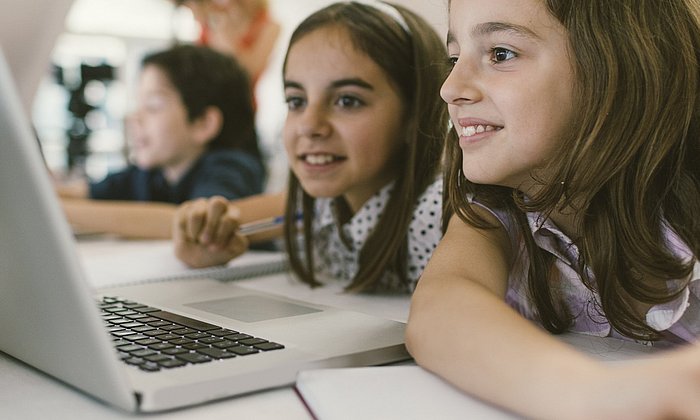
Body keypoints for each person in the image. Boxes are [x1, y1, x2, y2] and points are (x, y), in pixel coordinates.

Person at [405, 0, 700, 418]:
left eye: (500, 54)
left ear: (615, 68)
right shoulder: (496, 212)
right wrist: (593, 395)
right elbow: (440, 311)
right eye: (454, 57)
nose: (450, 87)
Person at [174, 1, 449, 293]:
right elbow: (218, 221)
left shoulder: (442, 214)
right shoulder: (322, 206)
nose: (309, 125)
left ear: (415, 115)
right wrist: (199, 235)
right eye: (297, 101)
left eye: (347, 101)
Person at [58, 44, 266, 238]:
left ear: (203, 123)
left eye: (153, 105)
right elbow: (83, 192)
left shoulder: (230, 168)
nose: (134, 118)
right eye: (137, 105)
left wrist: (61, 211)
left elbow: (189, 224)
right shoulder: (152, 174)